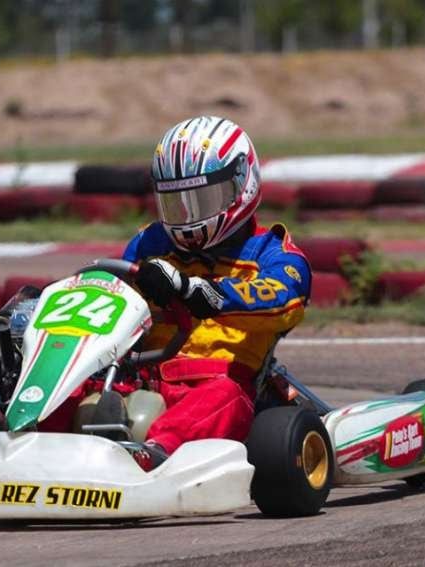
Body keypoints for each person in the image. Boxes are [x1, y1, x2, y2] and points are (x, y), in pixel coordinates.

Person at [121, 115, 312, 470]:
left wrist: (198, 291)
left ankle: (156, 454)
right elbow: (114, 297)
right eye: (178, 203)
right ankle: (20, 431)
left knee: (221, 397)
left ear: (242, 184)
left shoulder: (272, 253)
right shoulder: (151, 243)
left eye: (203, 199)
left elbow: (283, 301)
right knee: (85, 383)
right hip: (144, 380)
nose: (189, 216)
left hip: (222, 385)